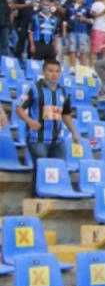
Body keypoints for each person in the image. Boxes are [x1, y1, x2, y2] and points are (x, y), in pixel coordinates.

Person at [16, 59, 80, 197]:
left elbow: (66, 114)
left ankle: (53, 196)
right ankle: (35, 198)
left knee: (57, 169)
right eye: (50, 71)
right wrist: (30, 121)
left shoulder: (63, 92)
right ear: (43, 72)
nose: (54, 74)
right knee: (41, 169)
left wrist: (74, 132)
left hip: (57, 140)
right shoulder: (33, 88)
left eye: (57, 71)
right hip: (37, 139)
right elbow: (19, 109)